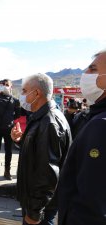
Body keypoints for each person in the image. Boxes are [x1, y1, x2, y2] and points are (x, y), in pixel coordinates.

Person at [11, 73, 72, 225]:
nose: (22, 96)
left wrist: (35, 212)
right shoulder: (41, 116)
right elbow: (38, 152)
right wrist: (20, 140)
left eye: (24, 91)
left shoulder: (49, 122)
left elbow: (48, 172)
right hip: (36, 201)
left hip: (41, 206)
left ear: (37, 93)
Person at [58, 50, 106, 225]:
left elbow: (91, 203)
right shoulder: (95, 118)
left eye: (93, 69)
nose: (85, 74)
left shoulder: (101, 125)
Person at [0, 79, 20, 180]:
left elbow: (18, 114)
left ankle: (7, 171)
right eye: (3, 85)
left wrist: (10, 120)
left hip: (8, 128)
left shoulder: (15, 100)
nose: (5, 86)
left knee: (8, 150)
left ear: (11, 86)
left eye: (7, 85)